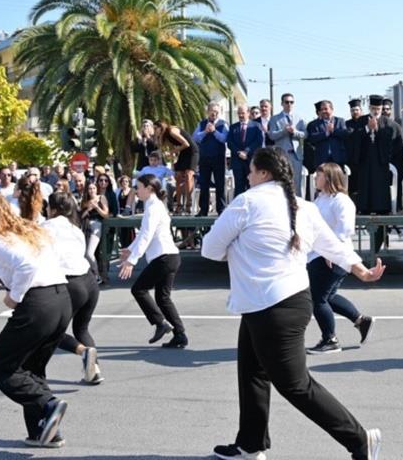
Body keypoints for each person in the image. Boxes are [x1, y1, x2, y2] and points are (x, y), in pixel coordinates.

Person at [201, 147, 384, 460]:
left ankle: (359, 439)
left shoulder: (247, 202)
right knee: (251, 372)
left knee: (296, 385)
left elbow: (210, 248)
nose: (247, 175)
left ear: (264, 173)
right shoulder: (303, 206)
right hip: (283, 302)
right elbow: (334, 246)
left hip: (272, 306)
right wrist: (362, 271)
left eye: (252, 170)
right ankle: (250, 444)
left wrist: (237, 248)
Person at [0, 194, 72, 448]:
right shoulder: (28, 231)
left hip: (38, 302)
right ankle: (44, 432)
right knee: (31, 370)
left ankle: (48, 404)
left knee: (0, 367)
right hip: (61, 299)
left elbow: (26, 266)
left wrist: (14, 296)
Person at [306, 162, 375, 354]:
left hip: (331, 257)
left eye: (318, 176)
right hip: (318, 255)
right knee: (329, 296)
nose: (315, 179)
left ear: (328, 178)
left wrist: (331, 252)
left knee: (317, 299)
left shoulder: (341, 201)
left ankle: (330, 340)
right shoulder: (320, 199)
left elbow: (344, 230)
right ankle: (361, 321)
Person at [117, 174, 187, 348]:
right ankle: (180, 335)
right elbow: (143, 235)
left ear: (149, 189)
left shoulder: (153, 207)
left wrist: (132, 260)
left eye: (138, 187)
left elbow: (146, 236)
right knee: (163, 298)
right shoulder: (154, 206)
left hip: (164, 258)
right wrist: (130, 250)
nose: (136, 191)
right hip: (170, 257)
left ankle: (161, 324)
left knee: (139, 289)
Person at [44, 192, 102, 385]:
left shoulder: (46, 227)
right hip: (89, 281)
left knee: (51, 331)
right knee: (82, 328)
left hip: (71, 283)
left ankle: (84, 353)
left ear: (52, 209)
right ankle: (94, 370)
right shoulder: (74, 228)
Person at [351, 95, 395, 252]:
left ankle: (382, 210)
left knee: (380, 194)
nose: (376, 112)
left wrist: (377, 130)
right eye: (374, 109)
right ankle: (365, 207)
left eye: (378, 109)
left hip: (380, 163)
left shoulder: (387, 122)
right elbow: (355, 137)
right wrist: (367, 129)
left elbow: (390, 140)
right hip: (365, 163)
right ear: (369, 108)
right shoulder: (362, 121)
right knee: (366, 190)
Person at [154, 120, 198, 214]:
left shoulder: (172, 131)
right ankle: (178, 205)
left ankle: (188, 205)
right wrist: (172, 155)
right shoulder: (165, 135)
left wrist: (172, 152)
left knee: (188, 175)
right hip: (183, 152)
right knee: (177, 176)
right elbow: (167, 147)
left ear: (161, 127)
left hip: (191, 151)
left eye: (155, 128)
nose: (154, 130)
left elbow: (186, 144)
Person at [193, 101, 229, 215]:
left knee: (220, 184)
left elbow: (224, 139)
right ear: (207, 112)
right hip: (204, 158)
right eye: (212, 111)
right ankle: (203, 209)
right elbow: (195, 138)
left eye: (216, 111)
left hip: (218, 158)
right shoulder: (202, 124)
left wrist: (214, 132)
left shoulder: (223, 124)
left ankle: (221, 209)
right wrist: (205, 131)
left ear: (219, 112)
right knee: (204, 184)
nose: (214, 114)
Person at [269, 93, 307, 197]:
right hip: (282, 155)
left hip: (296, 156)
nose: (289, 104)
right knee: (282, 181)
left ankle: (298, 205)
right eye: (286, 102)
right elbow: (272, 135)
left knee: (297, 182)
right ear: (282, 103)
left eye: (291, 102)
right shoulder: (275, 119)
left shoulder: (299, 118)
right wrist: (284, 131)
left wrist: (295, 131)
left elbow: (305, 134)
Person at [228, 104, 264, 197]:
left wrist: (246, 152)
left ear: (248, 113)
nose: (240, 115)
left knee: (251, 185)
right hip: (237, 161)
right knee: (238, 186)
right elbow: (230, 143)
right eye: (239, 113)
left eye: (243, 113)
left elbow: (258, 141)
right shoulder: (233, 127)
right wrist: (238, 152)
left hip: (251, 160)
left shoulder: (256, 126)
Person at [80, 181, 110, 282]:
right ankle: (90, 275)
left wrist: (96, 207)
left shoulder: (101, 198)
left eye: (93, 188)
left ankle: (97, 275)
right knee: (84, 253)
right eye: (89, 188)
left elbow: (106, 214)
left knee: (89, 253)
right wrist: (89, 208)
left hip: (96, 225)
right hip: (85, 226)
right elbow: (81, 216)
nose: (92, 190)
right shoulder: (85, 201)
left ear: (96, 189)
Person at [306, 100, 349, 170]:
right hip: (321, 159)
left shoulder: (340, 121)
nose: (323, 111)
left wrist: (333, 131)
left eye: (326, 109)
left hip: (337, 158)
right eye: (322, 109)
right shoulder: (314, 124)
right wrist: (325, 134)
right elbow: (312, 138)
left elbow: (345, 135)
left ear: (332, 109)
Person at [382, 97, 403, 213]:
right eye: (383, 109)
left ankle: (397, 206)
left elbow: (398, 148)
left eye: (388, 109)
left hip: (394, 162)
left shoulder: (396, 126)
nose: (385, 111)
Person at [345, 99, 364, 203]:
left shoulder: (366, 122)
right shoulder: (346, 124)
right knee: (351, 186)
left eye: (357, 110)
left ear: (360, 110)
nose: (355, 112)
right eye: (352, 110)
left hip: (364, 159)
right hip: (351, 160)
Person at [116, 174, 135, 248]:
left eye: (127, 181)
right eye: (123, 181)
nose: (125, 183)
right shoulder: (118, 191)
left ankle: (131, 246)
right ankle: (123, 246)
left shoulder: (132, 191)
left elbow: (134, 202)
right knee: (122, 231)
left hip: (129, 213)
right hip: (120, 213)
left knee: (130, 231)